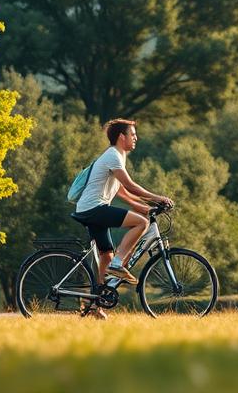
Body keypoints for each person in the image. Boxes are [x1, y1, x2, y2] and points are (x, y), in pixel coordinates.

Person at [71, 119, 174, 288]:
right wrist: (158, 198)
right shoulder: (113, 155)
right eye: (132, 134)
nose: (136, 138)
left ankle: (96, 303)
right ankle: (118, 264)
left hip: (90, 209)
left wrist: (143, 207)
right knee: (141, 223)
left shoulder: (117, 155)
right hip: (94, 208)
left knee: (106, 255)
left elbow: (121, 192)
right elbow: (130, 185)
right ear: (121, 137)